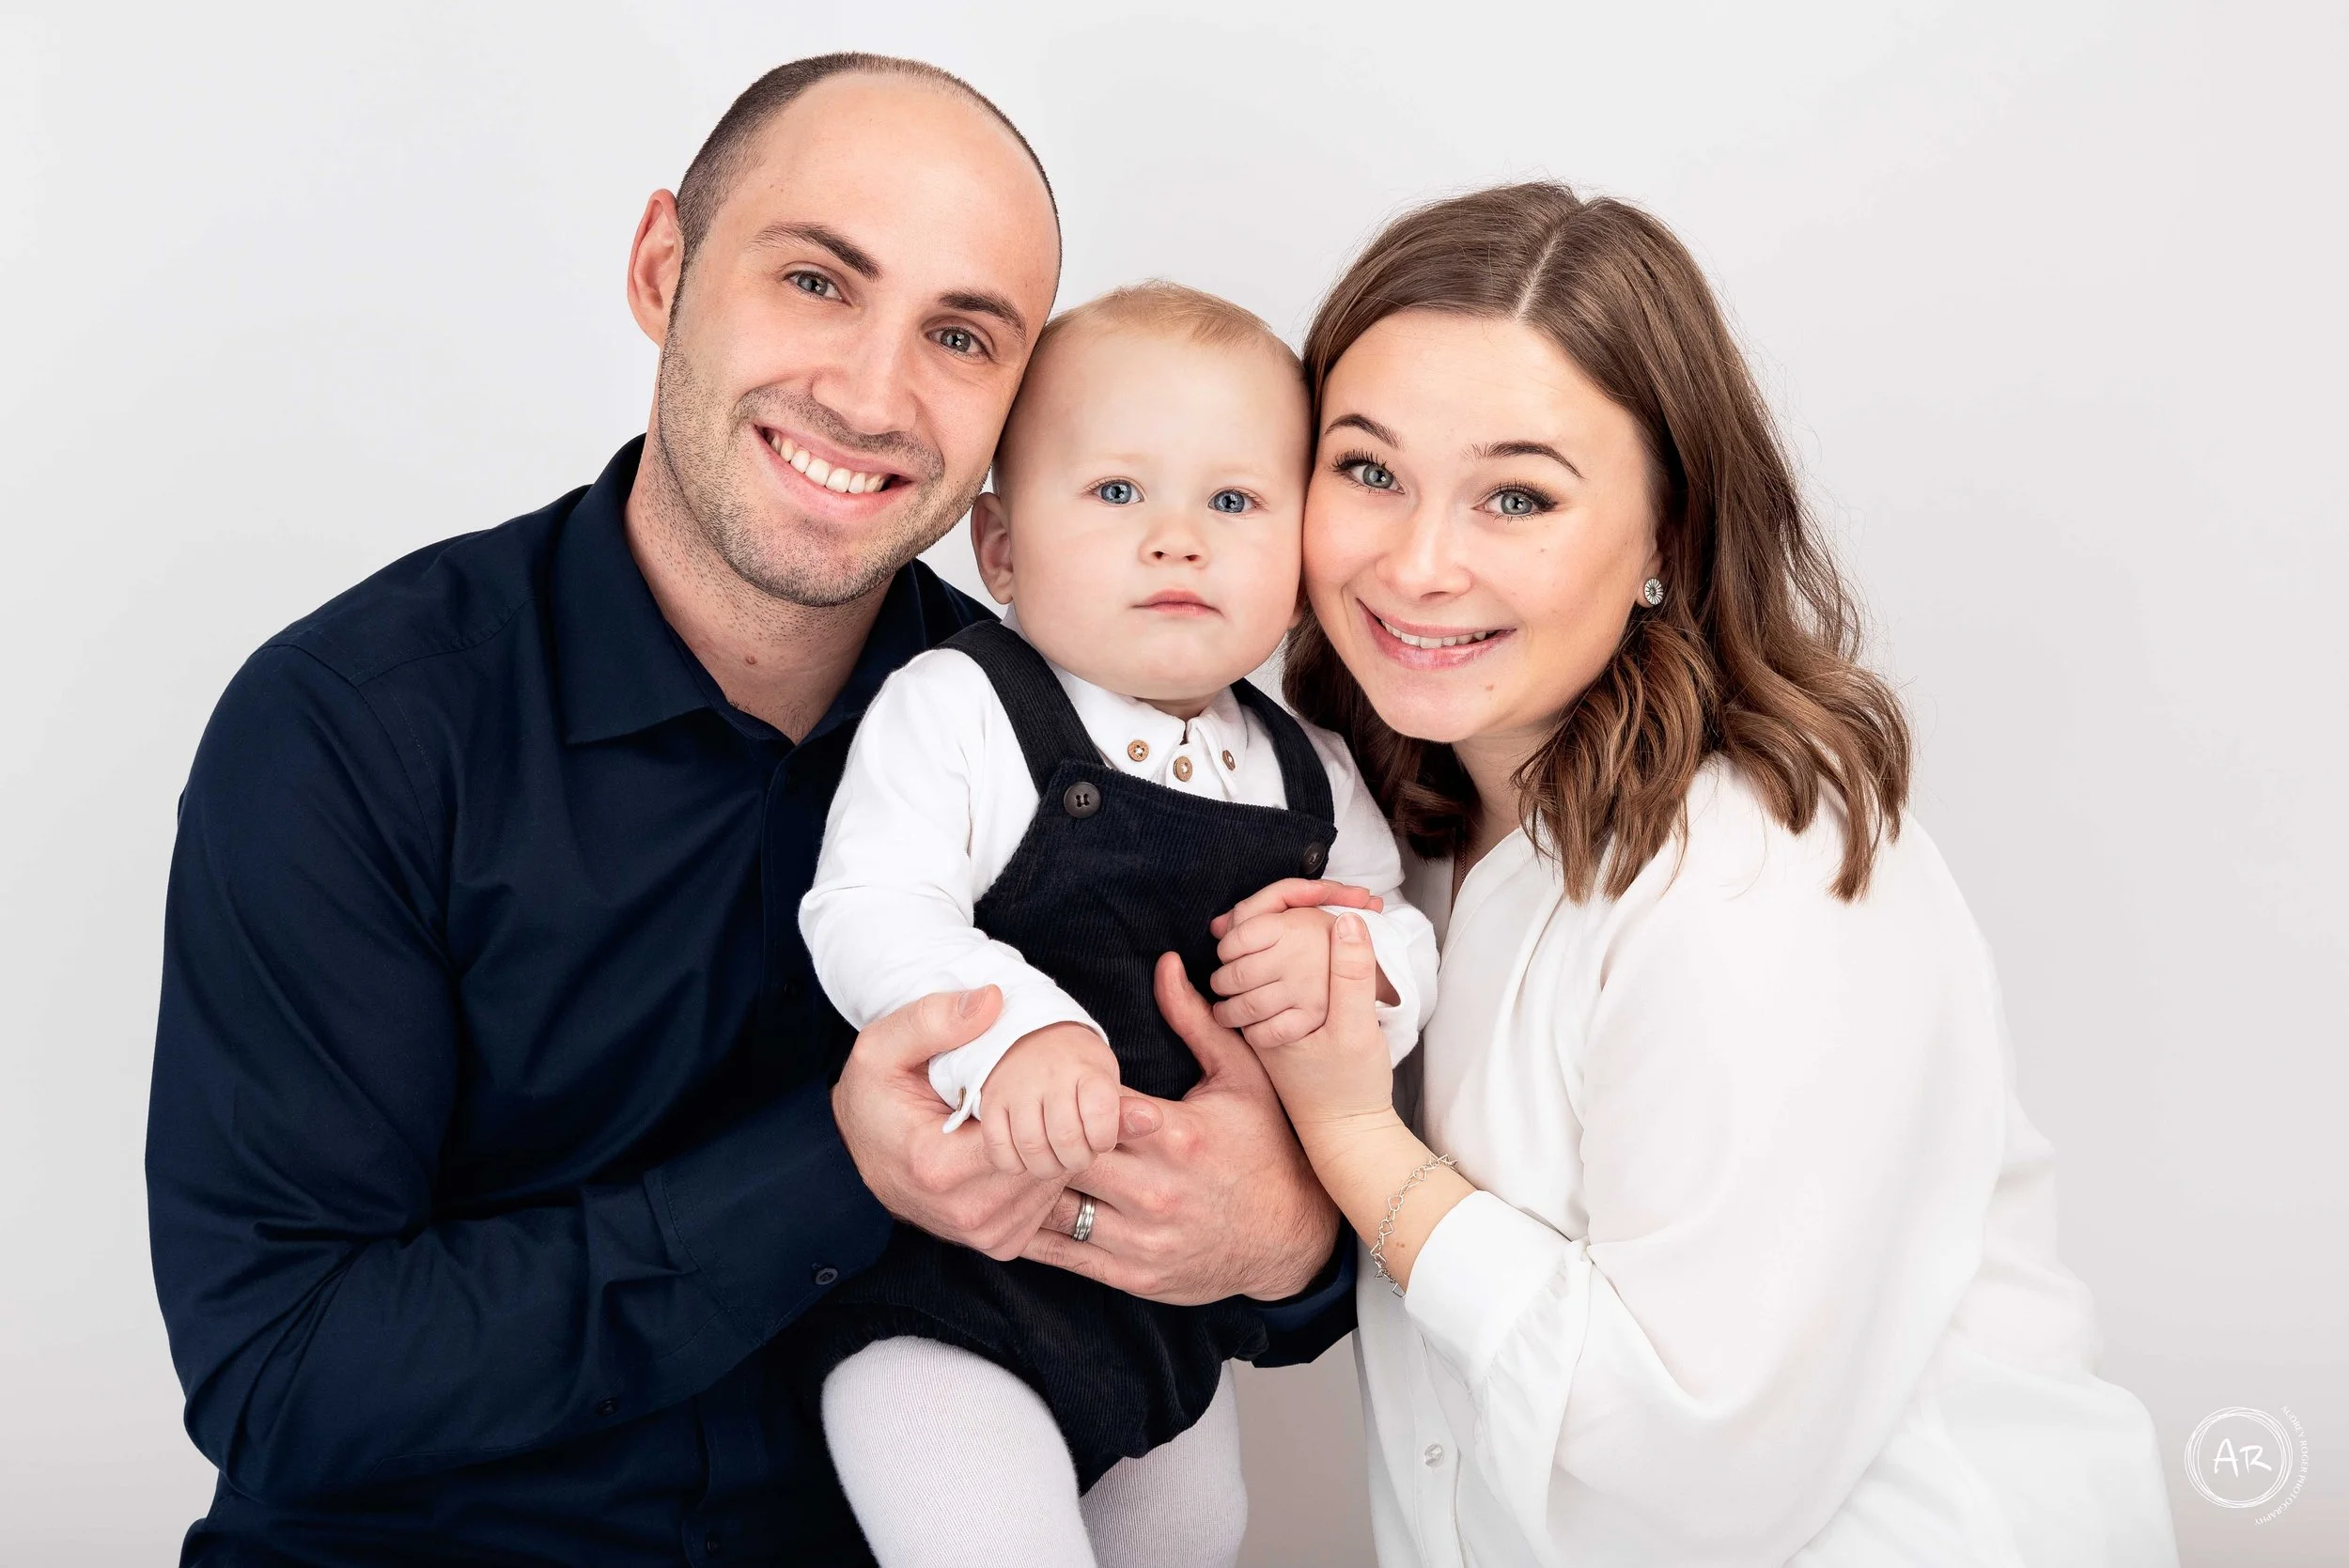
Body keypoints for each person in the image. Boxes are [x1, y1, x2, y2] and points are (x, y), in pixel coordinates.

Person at [145, 54, 1348, 1568]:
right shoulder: (353, 726)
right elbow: (280, 1376)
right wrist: (832, 1174)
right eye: (816, 282)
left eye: (960, 336)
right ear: (664, 269)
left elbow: (1272, 1157)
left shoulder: (1093, 732)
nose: (871, 395)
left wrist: (1288, 1236)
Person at [1224, 182, 2180, 1565]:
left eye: (1517, 496)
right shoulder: (1393, 822)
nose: (1419, 563)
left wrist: (1354, 1139)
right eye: (1368, 471)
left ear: (1667, 537)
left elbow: (1688, 1479)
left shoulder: (1752, 870)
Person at [796, 282, 1438, 1567]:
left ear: (1300, 563)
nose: (1177, 541)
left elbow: (1401, 926)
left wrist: (1355, 967)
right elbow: (868, 904)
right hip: (950, 1302)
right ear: (1000, 547)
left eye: (1234, 502)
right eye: (1116, 492)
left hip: (1161, 1312)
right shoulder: (962, 706)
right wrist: (1014, 1034)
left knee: (1198, 1530)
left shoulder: (1309, 770)